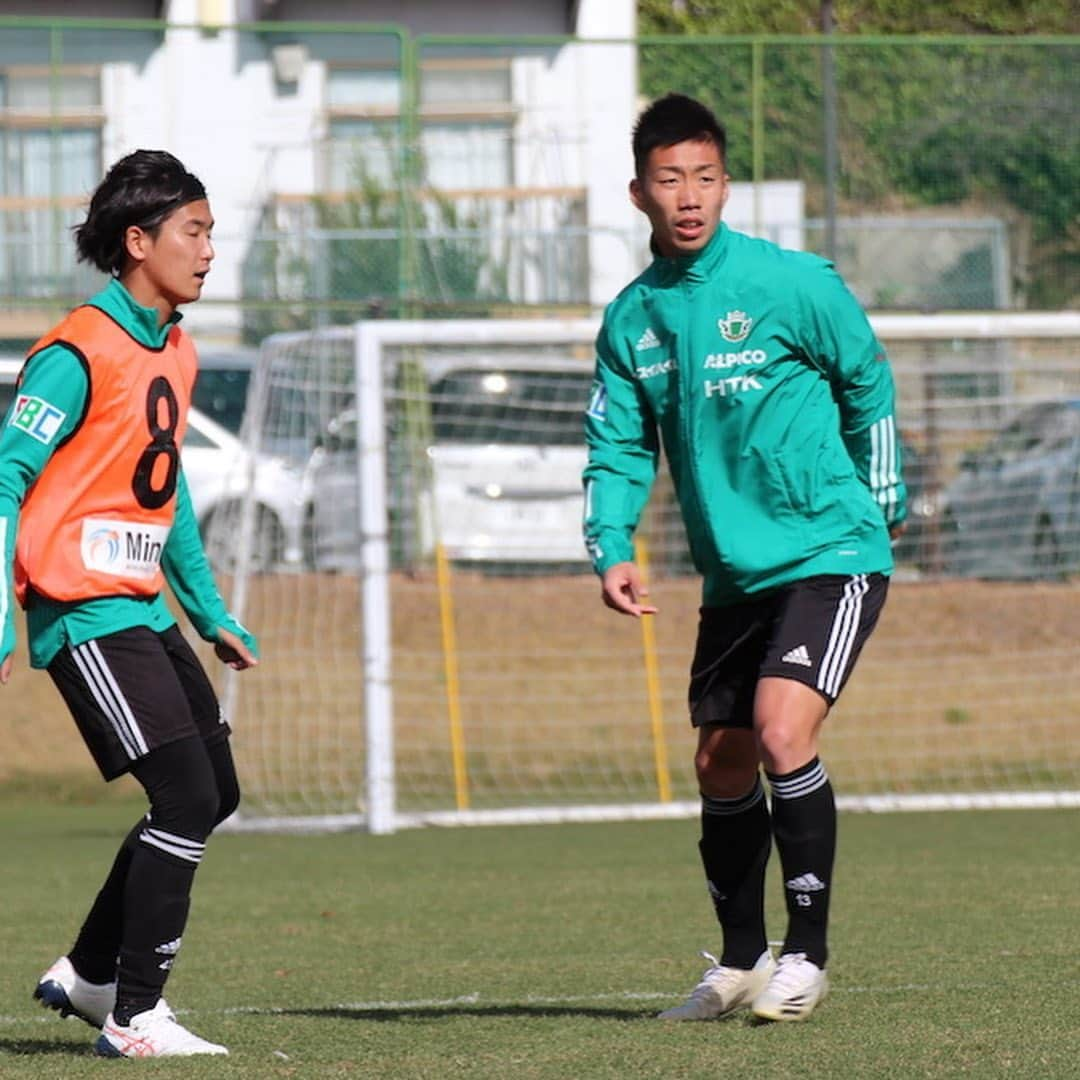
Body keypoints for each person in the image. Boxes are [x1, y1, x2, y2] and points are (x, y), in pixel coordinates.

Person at [583, 94, 905, 1024]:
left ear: (727, 184)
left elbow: (866, 375)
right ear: (639, 192)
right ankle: (740, 961)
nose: (689, 196)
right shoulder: (632, 320)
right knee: (720, 765)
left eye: (706, 177)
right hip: (734, 574)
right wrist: (611, 544)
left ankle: (807, 955)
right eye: (670, 179)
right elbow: (618, 446)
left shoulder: (790, 282)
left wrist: (878, 501)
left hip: (830, 549)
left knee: (778, 731)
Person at [0, 150, 259, 1057]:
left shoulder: (175, 347)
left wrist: (210, 610)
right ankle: (136, 1018)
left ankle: (87, 973)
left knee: (212, 790)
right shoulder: (76, 349)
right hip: (82, 610)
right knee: (182, 794)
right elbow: (5, 480)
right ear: (136, 240)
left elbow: (166, 490)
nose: (208, 250)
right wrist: (0, 610)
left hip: (141, 605)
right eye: (194, 231)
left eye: (211, 232)